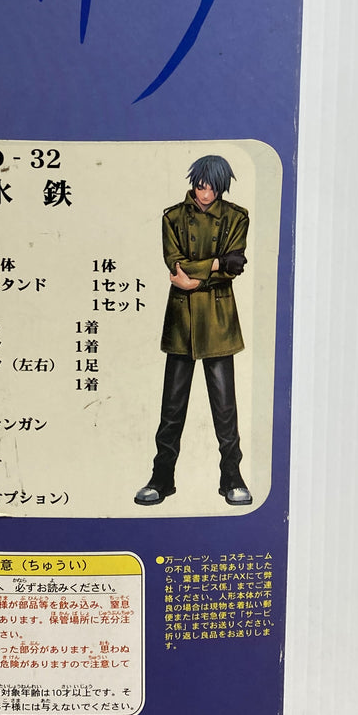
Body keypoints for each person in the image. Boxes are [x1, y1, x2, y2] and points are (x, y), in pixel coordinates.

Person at [135, 155, 253, 507]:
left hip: (218, 320)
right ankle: (161, 478)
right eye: (201, 186)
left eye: (213, 187)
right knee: (171, 408)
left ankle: (232, 478)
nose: (206, 193)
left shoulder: (237, 217)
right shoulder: (172, 217)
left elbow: (234, 265)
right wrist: (215, 263)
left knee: (225, 409)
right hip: (182, 320)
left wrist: (200, 276)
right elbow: (176, 266)